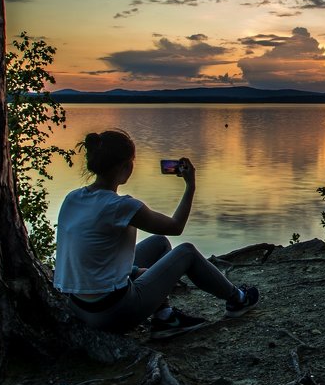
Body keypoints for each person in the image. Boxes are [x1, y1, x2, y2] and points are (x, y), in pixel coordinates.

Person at [54, 129, 259, 338]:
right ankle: (238, 299)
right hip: (112, 314)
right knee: (186, 252)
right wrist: (190, 186)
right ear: (126, 166)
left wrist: (133, 272)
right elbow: (176, 226)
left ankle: (166, 317)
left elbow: (91, 254)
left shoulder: (73, 198)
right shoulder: (121, 206)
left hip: (79, 307)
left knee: (159, 243)